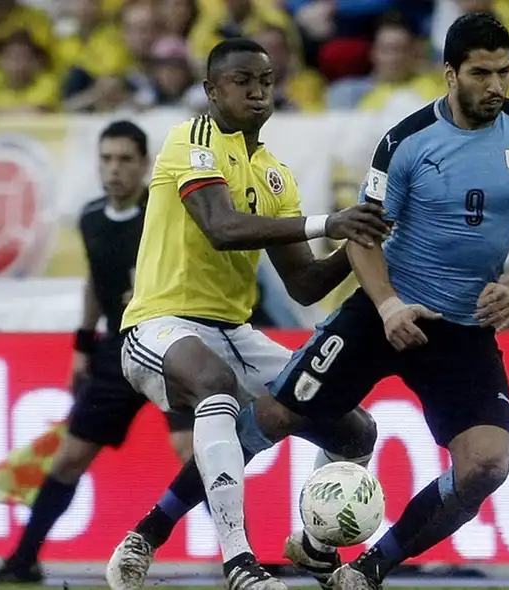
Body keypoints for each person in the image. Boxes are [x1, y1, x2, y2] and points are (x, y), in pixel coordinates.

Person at [237, 13, 509, 590]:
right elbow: (362, 233)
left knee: (486, 466)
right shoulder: (407, 140)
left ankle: (369, 569)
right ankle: (162, 531)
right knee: (273, 415)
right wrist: (389, 304)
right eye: (481, 73)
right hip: (385, 313)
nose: (495, 85)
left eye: (505, 72)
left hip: (464, 329)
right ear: (449, 73)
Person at [105, 38, 390, 590]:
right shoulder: (189, 141)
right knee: (215, 389)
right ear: (211, 91)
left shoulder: (274, 175)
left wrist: (364, 242)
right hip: (160, 323)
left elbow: (304, 284)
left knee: (354, 428)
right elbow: (221, 228)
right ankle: (239, 561)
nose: (257, 89)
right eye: (241, 80)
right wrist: (330, 222)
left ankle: (311, 545)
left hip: (233, 332)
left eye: (264, 79)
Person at [0, 121, 196, 585]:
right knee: (70, 458)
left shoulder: (164, 214)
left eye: (124, 159)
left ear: (143, 164)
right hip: (117, 353)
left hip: (166, 345)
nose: (114, 169)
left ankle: (243, 555)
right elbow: (96, 284)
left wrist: (156, 294)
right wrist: (82, 346)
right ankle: (24, 561)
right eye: (107, 159)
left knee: (193, 450)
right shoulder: (92, 217)